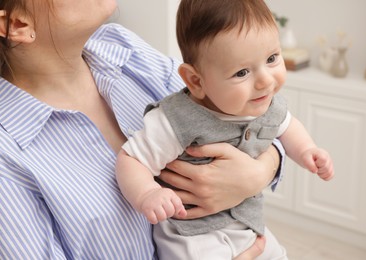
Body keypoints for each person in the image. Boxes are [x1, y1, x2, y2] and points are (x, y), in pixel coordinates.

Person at [0, 0, 287, 259]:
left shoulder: (123, 46)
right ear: (17, 25)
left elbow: (241, 112)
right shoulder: (8, 158)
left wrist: (261, 170)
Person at [116, 0, 334, 259]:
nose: (265, 80)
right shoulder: (176, 119)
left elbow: (287, 126)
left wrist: (307, 149)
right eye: (242, 72)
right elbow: (131, 159)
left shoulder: (267, 105)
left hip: (247, 223)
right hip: (193, 234)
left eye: (272, 58)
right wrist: (148, 193)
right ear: (196, 81)